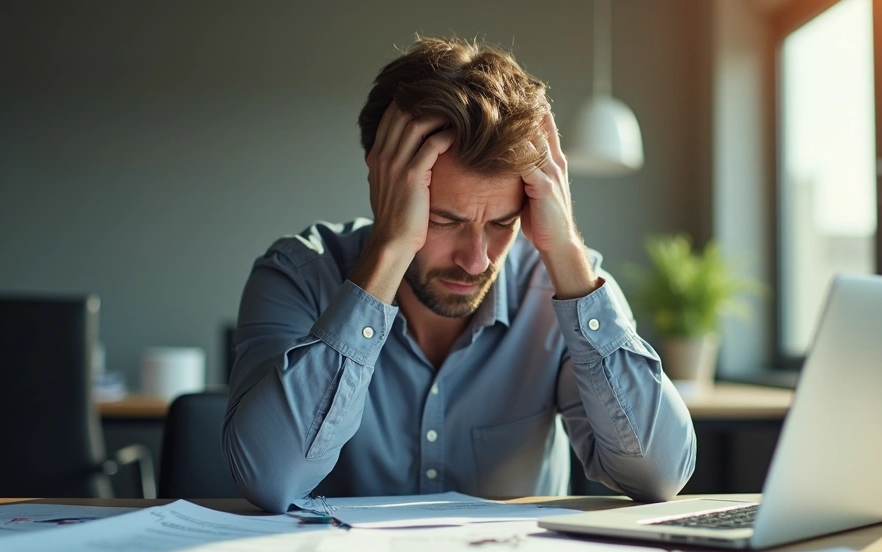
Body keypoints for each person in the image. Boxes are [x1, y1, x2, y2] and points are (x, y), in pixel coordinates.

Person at [222, 36, 696, 514]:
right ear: (384, 186)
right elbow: (271, 479)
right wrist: (390, 250)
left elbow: (660, 475)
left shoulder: (564, 286)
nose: (477, 260)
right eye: (444, 221)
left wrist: (567, 250)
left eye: (501, 224)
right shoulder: (297, 275)